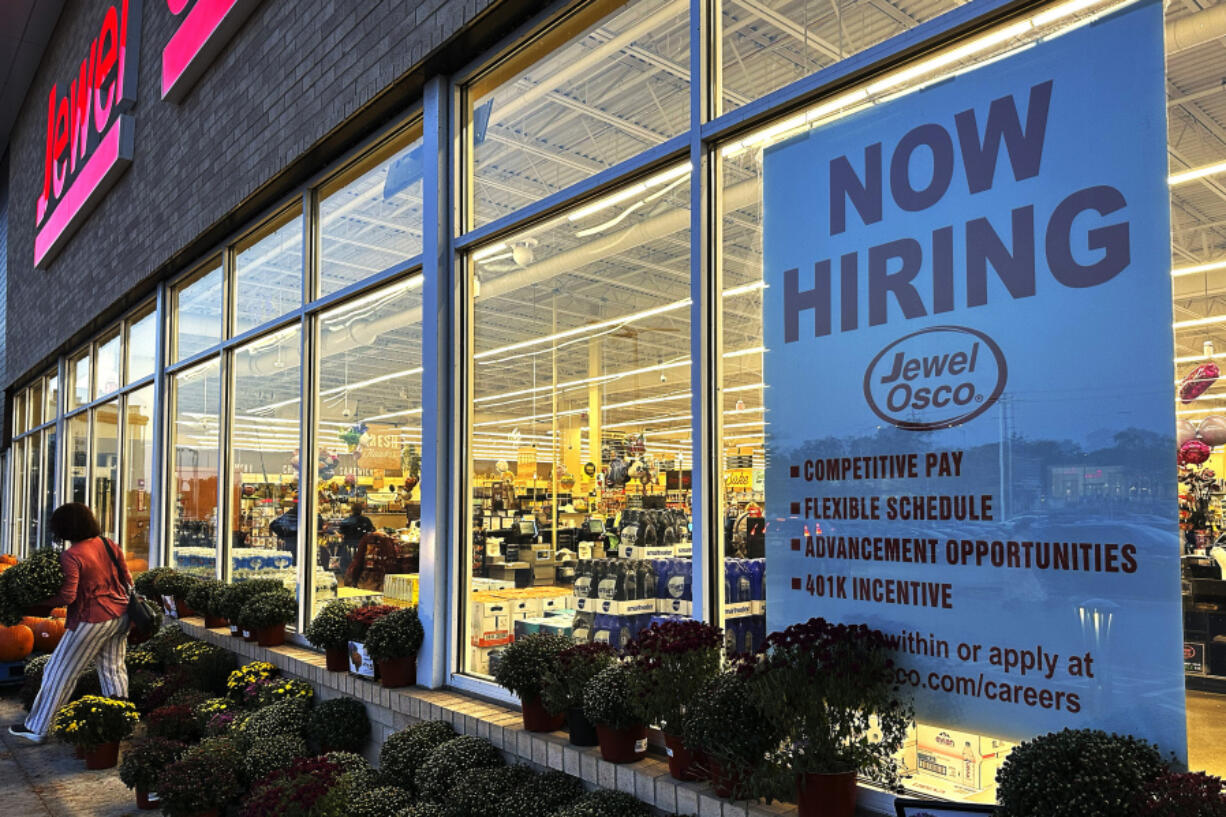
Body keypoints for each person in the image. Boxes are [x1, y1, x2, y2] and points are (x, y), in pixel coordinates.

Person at [9, 503, 131, 744]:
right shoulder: (109, 545)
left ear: (65, 527)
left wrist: (36, 600)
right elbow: (127, 579)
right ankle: (120, 722)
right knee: (113, 669)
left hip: (92, 619)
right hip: (122, 616)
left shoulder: (72, 555)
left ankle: (37, 728)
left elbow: (67, 597)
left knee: (58, 670)